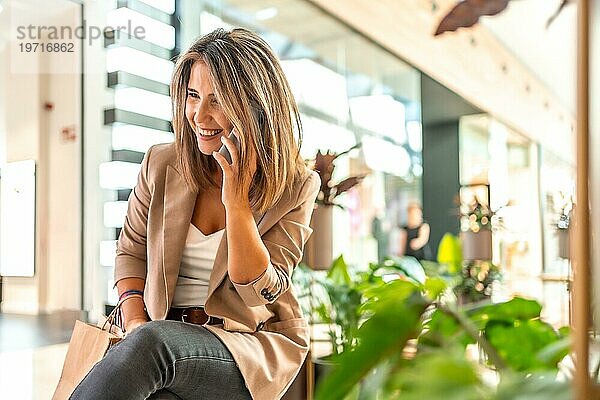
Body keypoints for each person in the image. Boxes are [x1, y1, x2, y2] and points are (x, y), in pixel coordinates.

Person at [70, 28, 320, 400]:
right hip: (159, 337)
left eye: (217, 100)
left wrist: (236, 201)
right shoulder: (162, 162)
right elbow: (131, 252)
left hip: (242, 344)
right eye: (192, 96)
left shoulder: (295, 185)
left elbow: (259, 292)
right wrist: (136, 322)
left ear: (255, 103)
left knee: (154, 345)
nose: (199, 115)